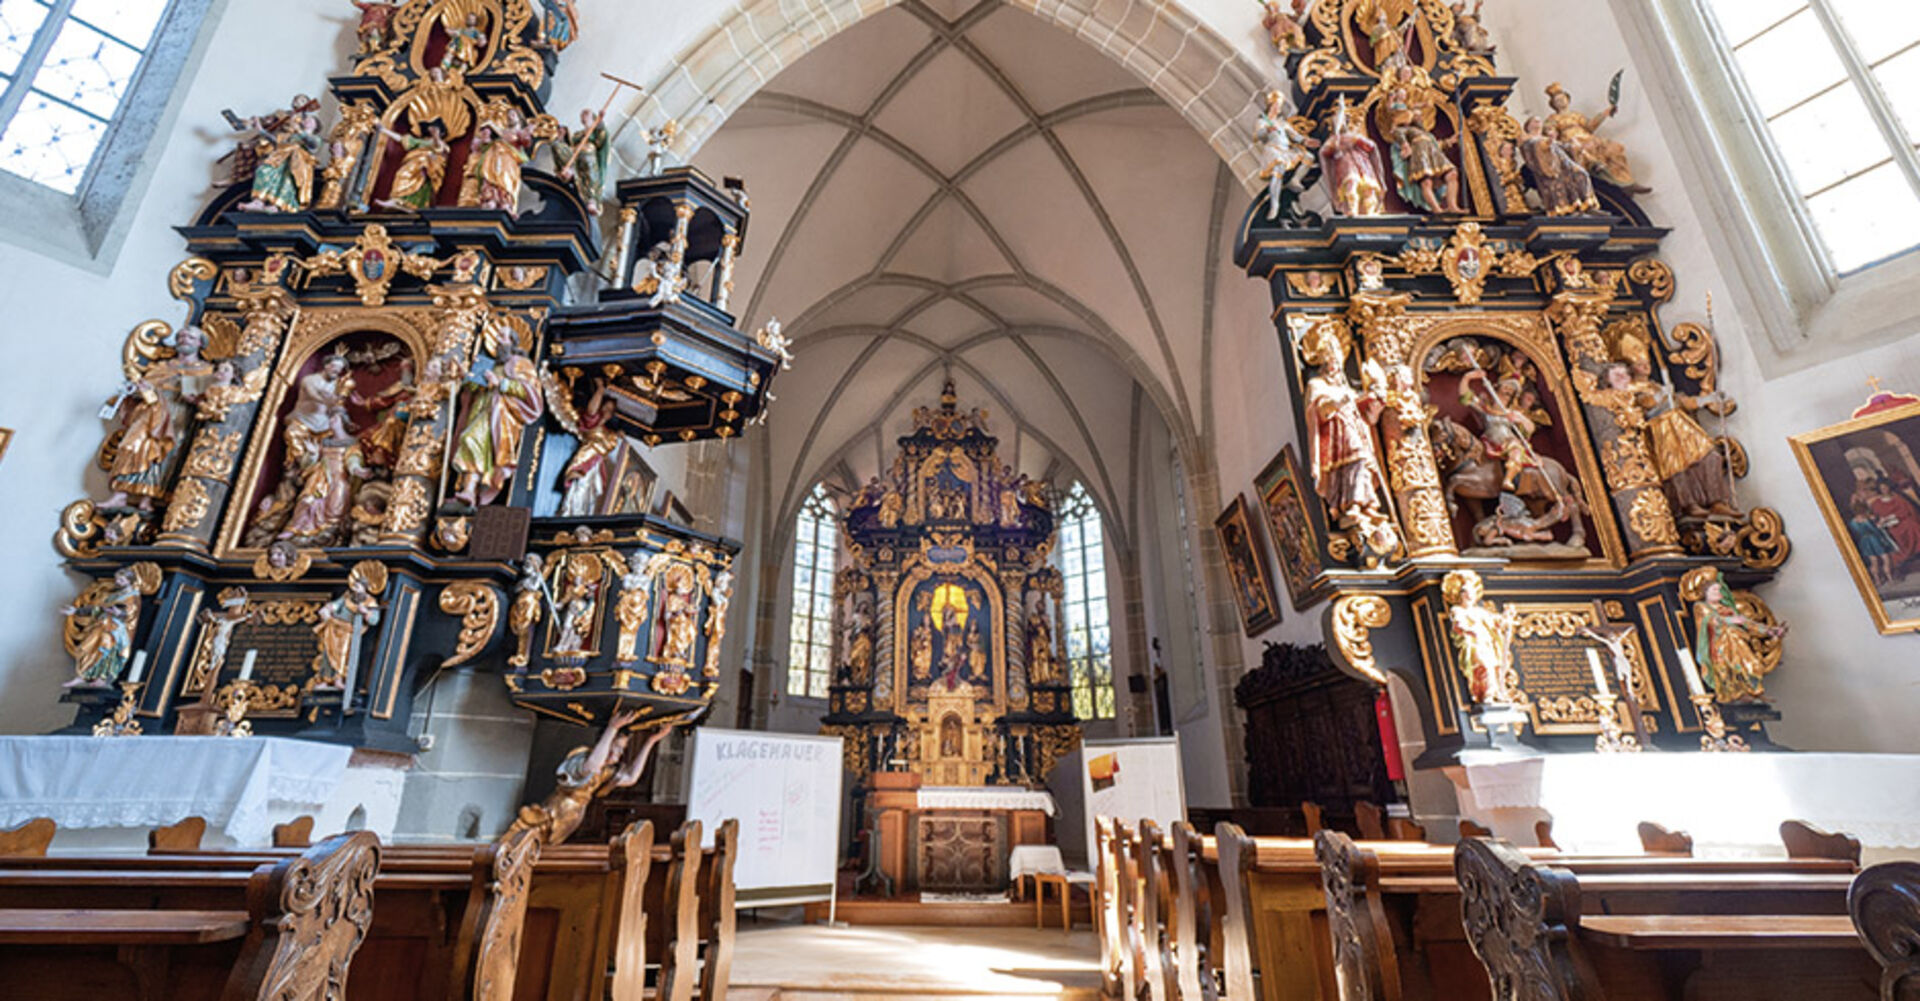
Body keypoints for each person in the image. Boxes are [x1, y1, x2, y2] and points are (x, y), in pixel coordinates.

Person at [509, 709, 672, 845]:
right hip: (554, 812)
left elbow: (630, 777)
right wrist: (612, 729)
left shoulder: (606, 772)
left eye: (621, 750)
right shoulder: (582, 758)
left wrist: (651, 741)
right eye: (615, 747)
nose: (618, 754)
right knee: (525, 845)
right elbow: (592, 767)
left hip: (572, 816)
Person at [101, 326, 215, 512]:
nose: (184, 339)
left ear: (200, 344)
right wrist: (138, 390)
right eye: (181, 336)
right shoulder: (161, 367)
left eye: (190, 337)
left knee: (166, 454)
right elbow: (142, 389)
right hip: (151, 413)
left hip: (179, 415)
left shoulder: (207, 371)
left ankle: (148, 498)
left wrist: (195, 398)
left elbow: (209, 399)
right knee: (130, 445)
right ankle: (119, 496)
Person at [451, 348, 545, 506]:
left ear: (513, 343)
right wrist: (466, 377)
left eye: (503, 337)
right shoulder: (490, 364)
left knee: (470, 438)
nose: (498, 342)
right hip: (481, 408)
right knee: (471, 443)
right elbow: (476, 387)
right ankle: (470, 491)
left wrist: (501, 383)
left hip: (500, 414)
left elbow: (529, 391)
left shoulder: (521, 363)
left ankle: (470, 490)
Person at [1693, 574, 1785, 702]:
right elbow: (1711, 620)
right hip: (1719, 646)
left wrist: (1769, 631)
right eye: (1714, 589)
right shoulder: (1701, 607)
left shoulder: (1728, 609)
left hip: (1738, 644)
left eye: (1720, 589)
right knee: (1731, 637)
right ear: (1706, 592)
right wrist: (1730, 621)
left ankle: (1750, 689)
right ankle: (1736, 691)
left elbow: (1748, 624)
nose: (1718, 592)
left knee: (1750, 662)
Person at [1443, 570, 1516, 705]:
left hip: (1487, 644)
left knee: (1495, 667)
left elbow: (1495, 623)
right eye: (1465, 591)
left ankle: (1496, 693)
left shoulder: (1480, 611)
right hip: (1474, 644)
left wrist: (1506, 618)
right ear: (1460, 594)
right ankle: (1487, 694)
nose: (1469, 595)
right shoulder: (1458, 610)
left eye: (1471, 591)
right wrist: (1470, 631)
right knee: (1485, 666)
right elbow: (1458, 625)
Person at [63, 568, 143, 687]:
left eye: (121, 580)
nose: (117, 582)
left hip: (116, 631)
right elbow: (99, 608)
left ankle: (102, 678)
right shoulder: (115, 595)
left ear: (129, 581)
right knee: (90, 648)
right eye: (117, 579)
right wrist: (76, 611)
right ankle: (82, 676)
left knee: (106, 650)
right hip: (102, 625)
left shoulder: (133, 597)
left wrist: (119, 613)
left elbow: (131, 615)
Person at [240, 113, 323, 212]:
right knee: (263, 171)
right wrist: (260, 129)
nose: (307, 121)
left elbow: (312, 144)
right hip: (281, 158)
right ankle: (258, 202)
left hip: (297, 164)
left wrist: (298, 130)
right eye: (306, 119)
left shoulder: (316, 138)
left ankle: (276, 205)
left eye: (311, 120)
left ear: (315, 126)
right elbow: (276, 141)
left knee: (286, 182)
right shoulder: (293, 136)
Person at [1516, 117, 1597, 216]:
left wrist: (1575, 147)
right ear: (1528, 126)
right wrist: (1545, 144)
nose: (1538, 122)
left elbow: (1562, 146)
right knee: (1557, 184)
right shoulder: (1528, 139)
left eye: (1539, 120)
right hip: (1548, 168)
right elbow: (1532, 151)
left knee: (1582, 174)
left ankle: (1583, 204)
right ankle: (1563, 208)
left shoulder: (1545, 138)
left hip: (1564, 164)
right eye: (1534, 121)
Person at [1320, 97, 1386, 216]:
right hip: (1345, 167)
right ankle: (1352, 209)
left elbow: (1372, 148)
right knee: (1351, 186)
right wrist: (1335, 145)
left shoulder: (1355, 136)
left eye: (1344, 120)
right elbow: (1325, 154)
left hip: (1363, 165)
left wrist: (1355, 140)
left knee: (1368, 189)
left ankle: (1370, 212)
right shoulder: (1334, 141)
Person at [376, 124, 449, 211]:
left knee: (416, 182)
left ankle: (410, 204)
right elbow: (401, 139)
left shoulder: (441, 144)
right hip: (414, 163)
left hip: (425, 166)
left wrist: (435, 136)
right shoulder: (420, 142)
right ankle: (398, 200)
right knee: (402, 175)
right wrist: (384, 130)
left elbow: (439, 148)